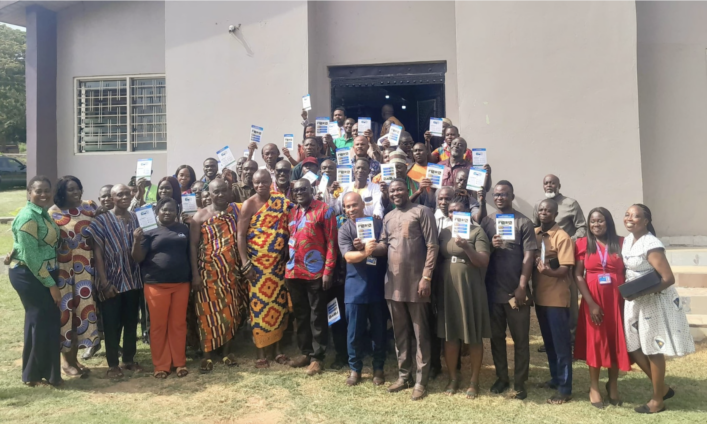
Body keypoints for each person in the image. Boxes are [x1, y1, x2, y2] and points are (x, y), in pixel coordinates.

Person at [622, 204, 694, 414]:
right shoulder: (627, 240)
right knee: (633, 346)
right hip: (634, 300)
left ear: (646, 221)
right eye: (627, 215)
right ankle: (661, 388)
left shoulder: (651, 244)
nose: (629, 218)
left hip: (654, 301)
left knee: (654, 349)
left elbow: (668, 278)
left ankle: (657, 400)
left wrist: (640, 293)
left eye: (636, 216)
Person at [372, 178, 439, 401]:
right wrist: (369, 248)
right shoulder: (389, 216)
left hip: (417, 283)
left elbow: (432, 245)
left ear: (407, 190)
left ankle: (421, 380)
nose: (396, 193)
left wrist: (426, 277)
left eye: (400, 189)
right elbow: (384, 245)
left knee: (421, 334)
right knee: (400, 333)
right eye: (392, 191)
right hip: (393, 284)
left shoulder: (422, 211)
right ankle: (404, 375)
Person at [480, 181, 537, 400]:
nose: (499, 198)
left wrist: (522, 286)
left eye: (504, 194)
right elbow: (480, 253)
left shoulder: (524, 222)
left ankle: (520, 381)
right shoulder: (487, 222)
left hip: (516, 293)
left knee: (521, 340)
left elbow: (529, 256)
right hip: (493, 292)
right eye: (496, 195)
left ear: (512, 196)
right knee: (497, 338)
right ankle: (502, 378)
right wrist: (491, 246)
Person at [188, 179, 249, 373]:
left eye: (224, 191)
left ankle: (227, 352)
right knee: (206, 313)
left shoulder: (236, 211)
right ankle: (207, 355)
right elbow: (192, 246)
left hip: (231, 272)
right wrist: (195, 275)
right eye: (216, 192)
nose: (220, 195)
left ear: (230, 192)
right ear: (210, 194)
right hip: (207, 273)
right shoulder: (200, 216)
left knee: (230, 311)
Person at [574, 207, 631, 408]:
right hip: (594, 301)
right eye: (592, 221)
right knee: (596, 341)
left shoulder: (622, 243)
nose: (596, 224)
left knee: (615, 340)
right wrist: (591, 303)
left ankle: (612, 384)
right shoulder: (582, 243)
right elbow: (578, 275)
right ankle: (594, 387)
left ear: (608, 222)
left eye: (600, 221)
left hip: (617, 300)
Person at [9, 175, 62, 387]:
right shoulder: (28, 217)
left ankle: (44, 374)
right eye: (38, 191)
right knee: (39, 322)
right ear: (29, 192)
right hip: (30, 275)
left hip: (44, 273)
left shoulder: (42, 213)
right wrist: (52, 285)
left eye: (46, 190)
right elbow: (31, 257)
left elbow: (28, 245)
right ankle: (34, 375)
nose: (43, 194)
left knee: (45, 322)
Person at [87, 184, 144, 378]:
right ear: (112, 198)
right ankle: (112, 364)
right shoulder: (101, 221)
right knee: (111, 324)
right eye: (120, 194)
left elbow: (140, 250)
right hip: (111, 281)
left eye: (127, 193)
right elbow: (98, 253)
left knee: (131, 322)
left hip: (133, 279)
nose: (125, 197)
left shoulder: (136, 218)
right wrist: (104, 282)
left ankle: (128, 359)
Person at [436, 198, 491, 399]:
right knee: (450, 334)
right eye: (451, 211)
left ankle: (474, 380)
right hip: (448, 287)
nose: (454, 214)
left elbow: (483, 261)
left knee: (473, 334)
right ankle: (453, 377)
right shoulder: (444, 232)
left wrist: (467, 247)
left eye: (459, 211)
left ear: (467, 212)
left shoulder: (477, 232)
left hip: (470, 287)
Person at [237, 170, 292, 367]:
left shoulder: (280, 201)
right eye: (257, 183)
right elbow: (241, 235)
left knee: (278, 306)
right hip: (257, 267)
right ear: (252, 184)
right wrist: (245, 263)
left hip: (277, 266)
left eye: (264, 182)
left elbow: (290, 221)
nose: (260, 186)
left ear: (271, 182)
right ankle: (260, 351)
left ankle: (277, 349)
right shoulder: (249, 204)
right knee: (258, 307)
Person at [131, 197, 190, 379]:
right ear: (157, 212)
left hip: (181, 283)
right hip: (156, 284)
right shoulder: (149, 230)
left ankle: (179, 362)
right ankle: (161, 365)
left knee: (178, 324)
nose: (167, 212)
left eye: (171, 210)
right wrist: (136, 240)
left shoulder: (183, 229)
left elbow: (190, 253)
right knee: (158, 325)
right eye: (164, 209)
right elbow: (138, 258)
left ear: (176, 212)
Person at [47, 176, 100, 377]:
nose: (76, 192)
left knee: (81, 314)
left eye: (78, 188)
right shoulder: (53, 213)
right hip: (64, 272)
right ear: (62, 192)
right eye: (70, 189)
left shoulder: (89, 207)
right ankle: (66, 362)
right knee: (66, 315)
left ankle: (75, 360)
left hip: (86, 270)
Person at [285, 179, 338, 376]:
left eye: (303, 189)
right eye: (296, 190)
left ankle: (317, 358)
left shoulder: (325, 210)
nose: (299, 192)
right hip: (293, 271)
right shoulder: (292, 212)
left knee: (317, 315)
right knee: (301, 315)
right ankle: (305, 352)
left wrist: (328, 271)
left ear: (312, 190)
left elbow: (332, 243)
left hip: (316, 272)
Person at [532, 174, 587, 352]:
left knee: (568, 298)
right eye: (546, 183)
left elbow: (582, 227)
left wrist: (568, 242)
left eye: (553, 183)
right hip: (546, 257)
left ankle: (571, 339)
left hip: (565, 257)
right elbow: (535, 228)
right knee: (544, 297)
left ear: (559, 185)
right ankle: (550, 339)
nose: (549, 185)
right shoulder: (539, 205)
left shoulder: (571, 203)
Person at [338, 192, 388, 386]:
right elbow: (348, 257)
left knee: (379, 332)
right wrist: (364, 252)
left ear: (362, 204)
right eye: (347, 206)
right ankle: (355, 369)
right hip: (355, 288)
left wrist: (371, 248)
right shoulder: (344, 229)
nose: (351, 209)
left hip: (377, 286)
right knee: (354, 333)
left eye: (354, 205)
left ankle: (378, 368)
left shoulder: (377, 224)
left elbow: (385, 246)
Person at [533, 199, 575, 404]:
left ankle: (565, 389)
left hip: (556, 299)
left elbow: (565, 269)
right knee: (549, 343)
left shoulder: (562, 237)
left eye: (548, 210)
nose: (544, 212)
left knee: (561, 345)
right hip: (540, 298)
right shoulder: (534, 234)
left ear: (556, 214)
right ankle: (555, 378)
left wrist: (548, 271)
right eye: (541, 209)